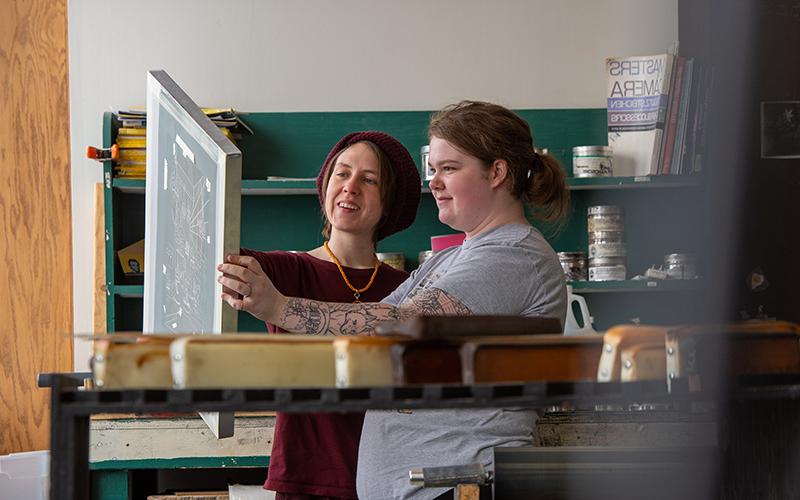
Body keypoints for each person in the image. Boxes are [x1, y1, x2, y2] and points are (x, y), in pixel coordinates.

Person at [218, 101, 569, 499]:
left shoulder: (512, 255)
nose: (434, 182)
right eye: (433, 170)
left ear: (497, 172)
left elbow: (400, 324)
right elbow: (374, 324)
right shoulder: (451, 258)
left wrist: (279, 309)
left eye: (449, 169)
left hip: (462, 488)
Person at [238, 131, 421, 499]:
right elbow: (215, 249)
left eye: (369, 180)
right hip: (306, 480)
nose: (351, 186)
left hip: (391, 481)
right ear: (325, 187)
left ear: (390, 203)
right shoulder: (285, 271)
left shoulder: (408, 288)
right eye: (342, 173)